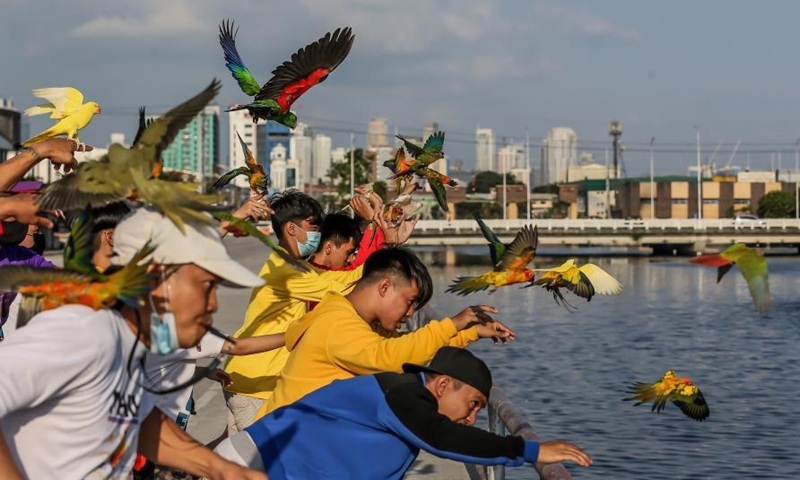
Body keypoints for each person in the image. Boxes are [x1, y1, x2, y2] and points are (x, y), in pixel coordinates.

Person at [0, 207, 267, 479]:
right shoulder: (81, 330)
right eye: (204, 289)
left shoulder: (128, 340)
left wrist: (221, 469)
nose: (213, 305)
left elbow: (141, 419)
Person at [216, 347, 592, 479]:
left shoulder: (403, 405)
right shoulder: (400, 394)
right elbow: (444, 439)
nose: (473, 416)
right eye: (474, 404)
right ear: (443, 385)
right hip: (252, 465)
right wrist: (530, 451)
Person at [223, 189, 413, 433]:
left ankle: (177, 470)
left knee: (231, 457)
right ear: (292, 229)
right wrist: (386, 243)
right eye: (312, 227)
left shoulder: (292, 263)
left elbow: (345, 277)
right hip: (257, 381)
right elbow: (343, 287)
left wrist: (388, 243)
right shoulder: (287, 269)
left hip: (247, 375)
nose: (317, 234)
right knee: (259, 460)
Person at [257, 246, 515, 418]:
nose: (411, 313)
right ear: (384, 287)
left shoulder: (354, 321)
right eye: (409, 301)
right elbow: (387, 358)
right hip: (279, 446)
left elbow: (411, 355)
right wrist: (452, 324)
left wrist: (469, 333)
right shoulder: (337, 323)